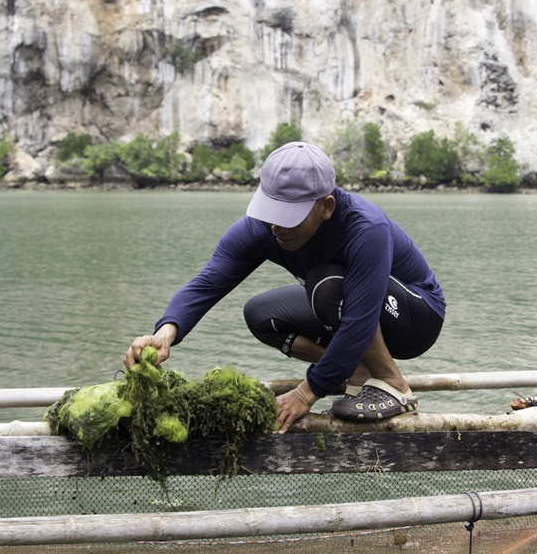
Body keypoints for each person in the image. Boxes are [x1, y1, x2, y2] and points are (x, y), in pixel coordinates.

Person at [124, 141, 446, 434]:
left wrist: (306, 393)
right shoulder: (263, 229)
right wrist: (165, 333)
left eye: (289, 216)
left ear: (326, 206)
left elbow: (360, 320)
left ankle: (393, 384)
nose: (277, 227)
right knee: (261, 314)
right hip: (347, 309)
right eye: (271, 212)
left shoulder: (365, 228)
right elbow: (208, 282)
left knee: (326, 283)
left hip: (415, 316)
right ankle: (355, 371)